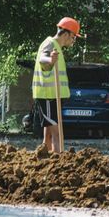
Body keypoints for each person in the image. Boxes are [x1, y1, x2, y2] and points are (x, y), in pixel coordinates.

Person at [32, 17, 82, 152]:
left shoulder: (56, 46)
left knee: (48, 132)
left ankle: (45, 159)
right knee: (56, 133)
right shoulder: (50, 44)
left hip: (52, 96)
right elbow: (43, 59)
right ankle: (59, 161)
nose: (73, 41)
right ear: (65, 34)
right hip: (48, 96)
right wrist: (50, 59)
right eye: (73, 37)